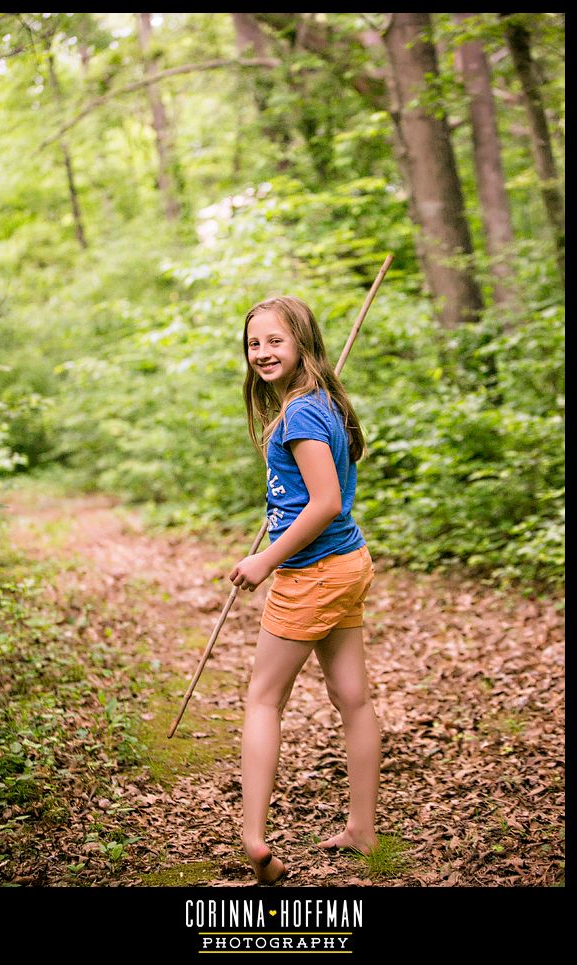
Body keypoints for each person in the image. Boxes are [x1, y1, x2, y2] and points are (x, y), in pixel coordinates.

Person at [229, 295, 381, 886]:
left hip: (315, 572)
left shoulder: (300, 416)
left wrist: (265, 559)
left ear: (303, 344)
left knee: (263, 699)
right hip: (347, 563)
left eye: (275, 341)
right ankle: (362, 830)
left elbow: (325, 502)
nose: (263, 352)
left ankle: (252, 838)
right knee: (353, 697)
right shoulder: (319, 404)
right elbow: (310, 496)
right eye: (254, 343)